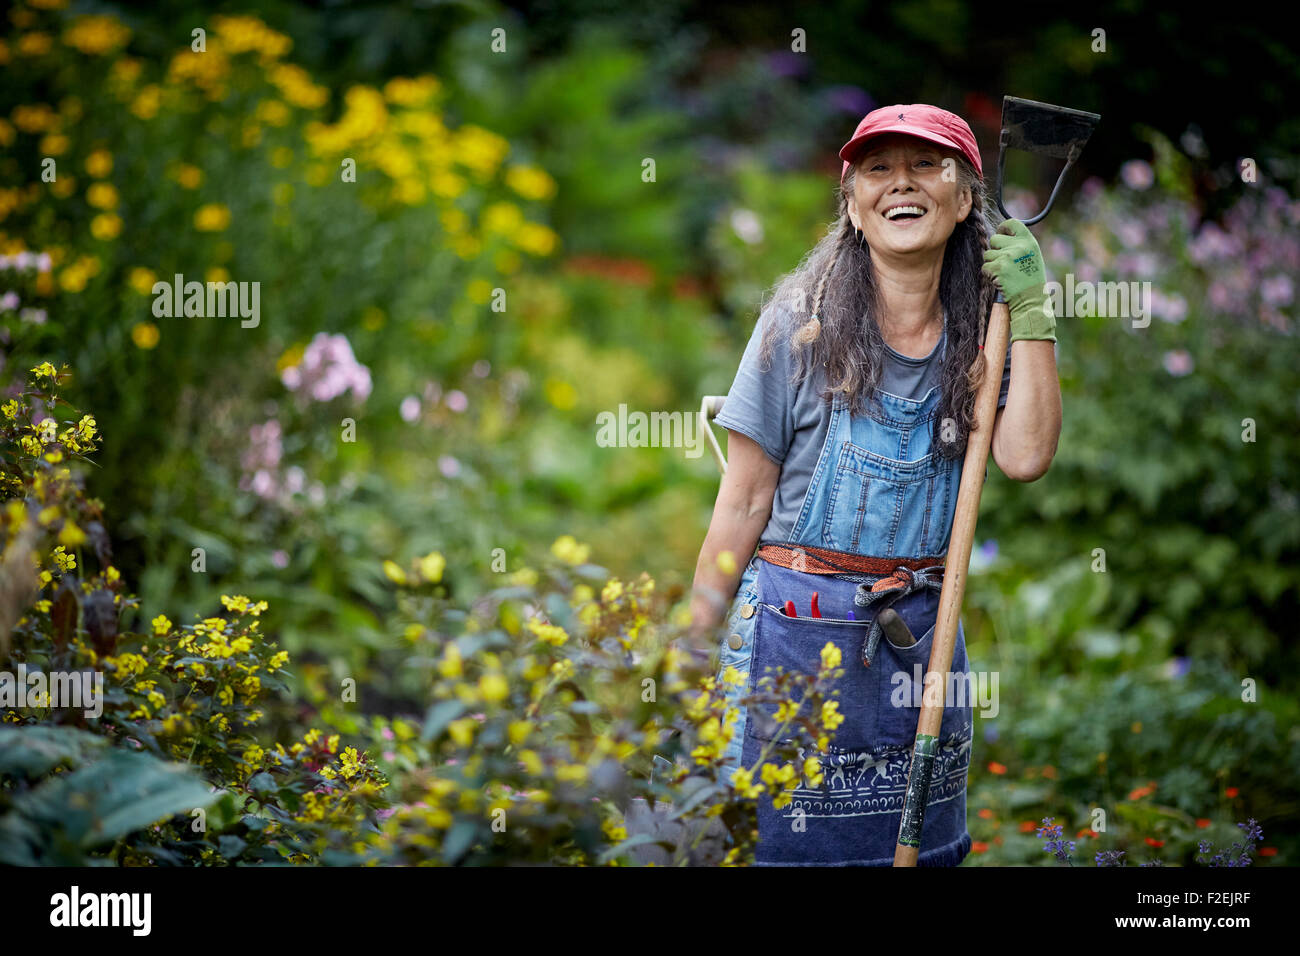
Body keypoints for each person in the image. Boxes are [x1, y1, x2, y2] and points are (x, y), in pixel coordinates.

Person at [684, 104, 1062, 866]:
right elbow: (744, 501)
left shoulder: (987, 331)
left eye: (928, 166)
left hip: (920, 641)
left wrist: (1033, 312)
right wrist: (688, 648)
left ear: (965, 204)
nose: (903, 183)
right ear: (853, 204)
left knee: (916, 852)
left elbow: (1024, 457)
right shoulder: (800, 325)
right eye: (879, 169)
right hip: (794, 639)